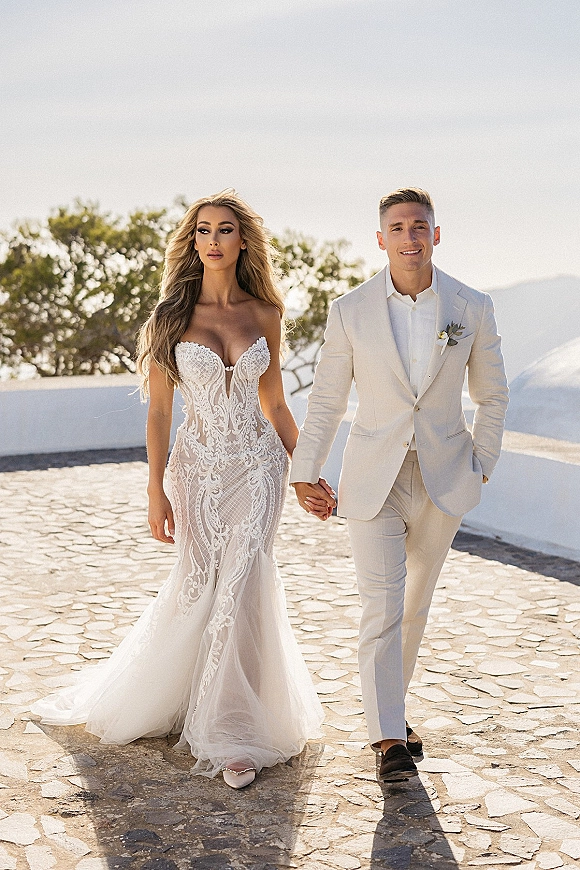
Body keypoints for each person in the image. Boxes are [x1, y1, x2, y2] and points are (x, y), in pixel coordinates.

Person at [31, 190, 327, 789]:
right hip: (197, 469)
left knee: (244, 580)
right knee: (200, 584)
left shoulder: (265, 314)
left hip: (258, 465)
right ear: (192, 242)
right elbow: (160, 414)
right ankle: (182, 696)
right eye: (203, 231)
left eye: (225, 230)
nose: (213, 240)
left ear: (243, 241)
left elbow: (273, 400)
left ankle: (233, 732)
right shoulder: (170, 317)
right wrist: (155, 489)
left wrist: (305, 469)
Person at [290, 188, 508, 782]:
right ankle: (387, 738)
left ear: (436, 235)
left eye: (420, 226)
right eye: (397, 227)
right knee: (381, 605)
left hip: (444, 476)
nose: (409, 237)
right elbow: (329, 399)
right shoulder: (349, 311)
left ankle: (394, 710)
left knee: (413, 608)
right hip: (372, 477)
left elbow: (491, 396)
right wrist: (303, 470)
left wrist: (481, 463)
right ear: (380, 239)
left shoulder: (471, 306)